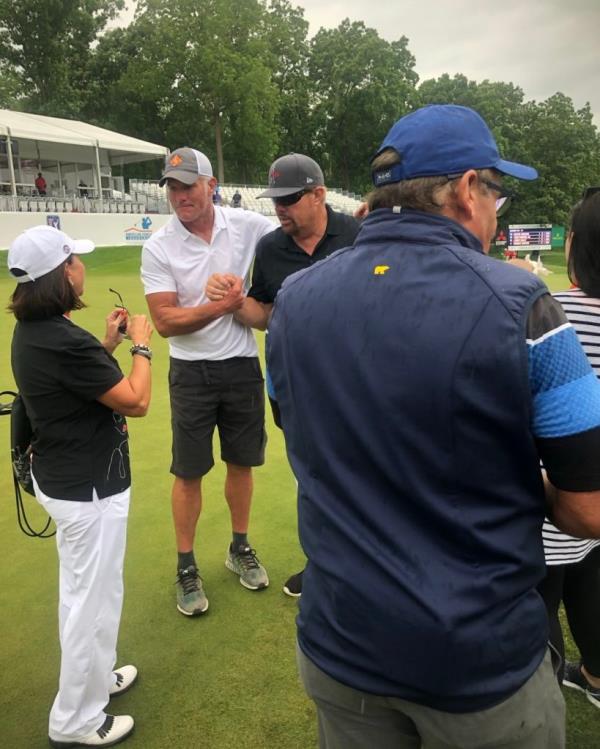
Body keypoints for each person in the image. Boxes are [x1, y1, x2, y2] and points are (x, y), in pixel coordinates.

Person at [267, 104, 600, 749]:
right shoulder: (525, 307)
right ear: (469, 188)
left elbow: (307, 440)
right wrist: (513, 483)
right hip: (478, 664)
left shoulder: (292, 304)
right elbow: (588, 511)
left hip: (341, 644)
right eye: (497, 191)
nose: (497, 210)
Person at [8, 225, 153, 748]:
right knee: (89, 600)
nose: (81, 268)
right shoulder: (62, 339)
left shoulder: (39, 330)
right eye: (75, 261)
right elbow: (136, 400)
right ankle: (74, 719)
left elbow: (81, 379)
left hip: (70, 479)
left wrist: (107, 345)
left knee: (89, 593)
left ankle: (96, 678)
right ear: (62, 274)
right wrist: (140, 347)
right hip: (88, 488)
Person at [206, 153, 360, 597]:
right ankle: (325, 566)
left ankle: (365, 568)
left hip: (356, 383)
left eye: (290, 199)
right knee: (310, 481)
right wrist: (236, 302)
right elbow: (263, 315)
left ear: (319, 195)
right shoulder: (270, 248)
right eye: (276, 199)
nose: (280, 208)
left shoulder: (358, 234)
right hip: (294, 386)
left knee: (363, 474)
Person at [140, 147, 274, 617]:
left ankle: (239, 547)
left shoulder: (248, 225)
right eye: (172, 187)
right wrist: (224, 303)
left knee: (242, 463)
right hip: (191, 372)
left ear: (211, 184)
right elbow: (166, 321)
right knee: (189, 472)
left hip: (240, 364)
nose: (179, 196)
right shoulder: (158, 245)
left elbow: (296, 231)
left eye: (188, 185)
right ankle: (186, 567)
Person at [537, 188, 600, 701]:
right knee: (592, 580)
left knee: (542, 597)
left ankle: (544, 694)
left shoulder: (548, 313)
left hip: (558, 490)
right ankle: (596, 677)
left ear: (575, 242)